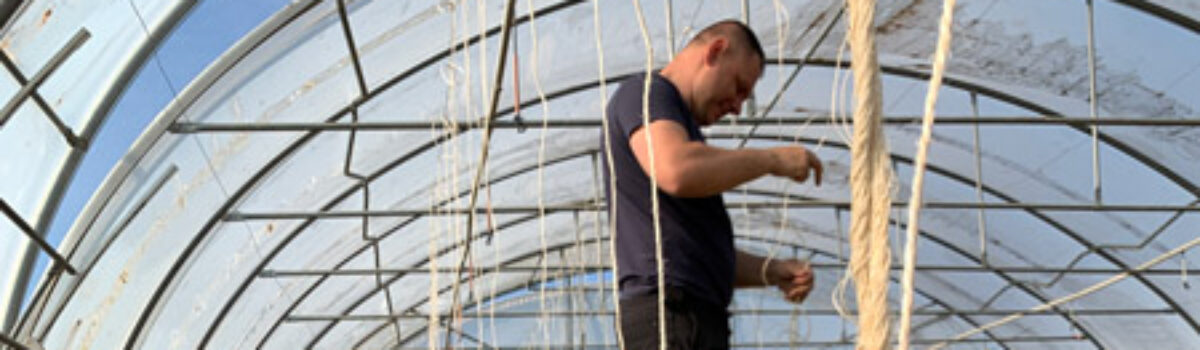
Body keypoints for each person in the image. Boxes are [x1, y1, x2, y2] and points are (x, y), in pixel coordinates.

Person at [602, 20, 823, 349]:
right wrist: (773, 160)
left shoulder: (682, 130)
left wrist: (772, 271)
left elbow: (697, 254)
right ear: (716, 51)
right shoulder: (648, 92)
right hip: (669, 316)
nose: (736, 107)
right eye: (738, 87)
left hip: (690, 316)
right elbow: (675, 169)